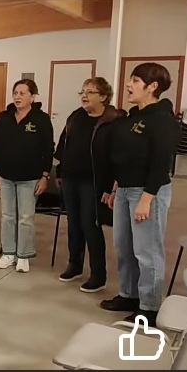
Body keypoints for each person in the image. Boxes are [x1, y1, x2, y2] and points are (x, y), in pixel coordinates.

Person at [100, 63, 180, 326]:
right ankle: (129, 294)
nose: (128, 84)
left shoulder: (162, 119)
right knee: (123, 247)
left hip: (147, 192)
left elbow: (160, 163)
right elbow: (123, 157)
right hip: (125, 190)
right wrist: (115, 189)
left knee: (147, 251)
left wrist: (146, 199)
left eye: (135, 80)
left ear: (152, 86)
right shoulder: (133, 117)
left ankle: (150, 307)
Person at [54, 77, 125, 293]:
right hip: (70, 179)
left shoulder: (112, 121)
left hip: (93, 183)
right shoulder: (75, 117)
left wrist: (110, 187)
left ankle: (98, 275)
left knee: (90, 225)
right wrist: (60, 172)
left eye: (90, 92)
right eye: (82, 92)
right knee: (73, 224)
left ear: (103, 96)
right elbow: (64, 146)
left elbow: (116, 158)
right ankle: (74, 265)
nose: (84, 96)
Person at [0, 79, 54, 273]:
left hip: (30, 177)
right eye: (15, 93)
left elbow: (48, 149)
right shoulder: (3, 117)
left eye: (22, 93)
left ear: (32, 97)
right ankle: (8, 253)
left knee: (25, 217)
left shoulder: (41, 119)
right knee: (7, 216)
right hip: (6, 176)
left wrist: (45, 176)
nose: (17, 97)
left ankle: (24, 255)